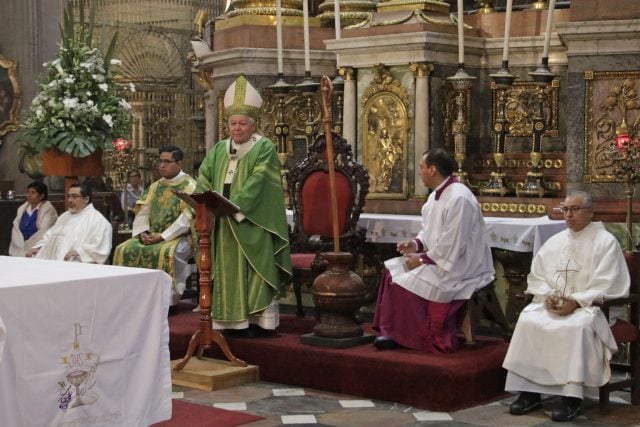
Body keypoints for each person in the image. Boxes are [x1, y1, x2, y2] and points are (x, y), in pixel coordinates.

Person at [503, 190, 630, 422]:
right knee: (529, 319)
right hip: (556, 304)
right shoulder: (555, 241)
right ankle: (529, 393)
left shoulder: (606, 242)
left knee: (576, 327)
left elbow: (610, 282)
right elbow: (538, 276)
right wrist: (548, 296)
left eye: (574, 209)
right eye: (565, 209)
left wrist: (576, 302)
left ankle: (572, 399)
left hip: (590, 307)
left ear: (590, 212)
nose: (568, 215)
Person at [196, 74, 292, 337]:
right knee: (225, 271)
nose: (236, 129)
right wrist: (201, 199)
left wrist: (233, 205)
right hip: (221, 222)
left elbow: (259, 181)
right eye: (232, 123)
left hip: (252, 221)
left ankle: (255, 321)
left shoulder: (265, 148)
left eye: (242, 124)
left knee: (254, 270)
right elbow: (204, 177)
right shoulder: (217, 149)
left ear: (253, 125)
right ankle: (229, 323)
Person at [372, 147, 495, 352]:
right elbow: (430, 231)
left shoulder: (459, 198)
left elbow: (453, 243)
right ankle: (393, 332)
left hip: (461, 266)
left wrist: (421, 260)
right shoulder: (436, 196)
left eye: (421, 167)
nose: (419, 172)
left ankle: (412, 336)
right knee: (391, 272)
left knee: (400, 280)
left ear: (433, 169)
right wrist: (416, 244)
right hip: (442, 259)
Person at [112, 146, 197, 306]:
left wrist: (163, 236)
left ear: (179, 163)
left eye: (167, 162)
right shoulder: (155, 186)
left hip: (179, 237)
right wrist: (142, 232)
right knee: (123, 249)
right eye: (160, 161)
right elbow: (143, 211)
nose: (162, 166)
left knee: (168, 254)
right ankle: (130, 299)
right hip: (152, 235)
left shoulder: (190, 186)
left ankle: (166, 302)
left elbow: (187, 218)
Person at [26, 182, 112, 263]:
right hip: (51, 263)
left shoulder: (98, 221)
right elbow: (50, 235)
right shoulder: (65, 216)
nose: (70, 200)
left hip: (74, 266)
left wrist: (79, 252)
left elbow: (101, 248)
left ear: (86, 199)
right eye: (69, 196)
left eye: (74, 196)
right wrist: (38, 247)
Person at [9, 181, 58, 257]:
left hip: (36, 249)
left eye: (33, 192)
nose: (29, 195)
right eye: (28, 192)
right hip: (19, 248)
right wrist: (20, 245)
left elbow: (44, 232)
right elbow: (16, 229)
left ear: (41, 196)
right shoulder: (22, 209)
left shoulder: (49, 210)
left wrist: (30, 247)